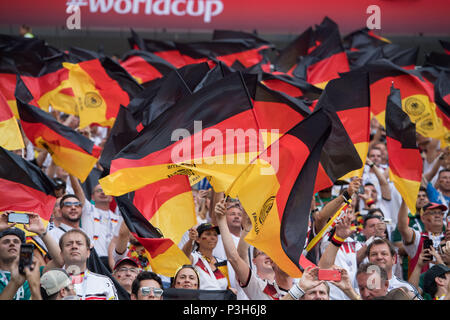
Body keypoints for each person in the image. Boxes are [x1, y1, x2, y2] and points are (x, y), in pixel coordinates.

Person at [214, 199, 293, 299]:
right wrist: (221, 220)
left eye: (286, 256)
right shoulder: (258, 287)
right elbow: (236, 257)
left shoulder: (307, 288)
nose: (268, 256)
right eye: (263, 253)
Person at [71, 176, 123, 267]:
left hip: (113, 263)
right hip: (92, 259)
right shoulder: (87, 210)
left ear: (111, 198)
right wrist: (72, 174)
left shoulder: (118, 218)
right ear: (92, 197)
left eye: (106, 191)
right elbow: (77, 190)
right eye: (98, 191)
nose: (102, 192)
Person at [59, 229, 118, 300]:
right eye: (69, 244)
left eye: (79, 243)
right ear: (61, 254)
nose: (74, 246)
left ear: (88, 253)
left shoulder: (104, 282)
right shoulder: (53, 283)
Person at [397, 200, 448, 276]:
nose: (437, 215)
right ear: (423, 218)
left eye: (440, 213)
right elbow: (402, 228)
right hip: (421, 286)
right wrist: (405, 200)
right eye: (433, 213)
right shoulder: (418, 238)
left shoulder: (448, 238)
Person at [181, 222, 229, 291]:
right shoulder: (194, 258)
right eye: (208, 234)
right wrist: (191, 240)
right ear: (198, 239)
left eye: (215, 235)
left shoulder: (222, 263)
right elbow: (184, 257)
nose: (213, 237)